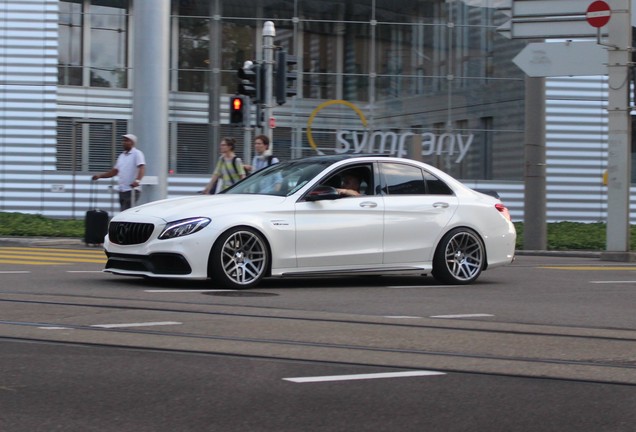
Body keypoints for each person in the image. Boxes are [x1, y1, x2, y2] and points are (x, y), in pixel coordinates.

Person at [92, 133, 146, 211]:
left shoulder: (137, 154)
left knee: (127, 211)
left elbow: (142, 167)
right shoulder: (121, 156)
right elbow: (114, 171)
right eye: (123, 141)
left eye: (126, 141)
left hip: (132, 189)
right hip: (122, 190)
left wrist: (137, 180)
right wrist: (100, 176)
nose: (123, 142)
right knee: (123, 211)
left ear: (132, 142)